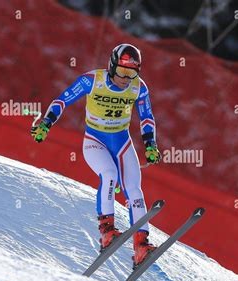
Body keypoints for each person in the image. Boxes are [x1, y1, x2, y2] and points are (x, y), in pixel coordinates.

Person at [31, 43, 161, 268]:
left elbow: (147, 117)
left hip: (121, 141)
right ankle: (107, 233)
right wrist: (47, 123)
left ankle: (141, 245)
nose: (125, 78)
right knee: (109, 175)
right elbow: (63, 100)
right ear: (112, 66)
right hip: (95, 141)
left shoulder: (138, 87)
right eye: (122, 71)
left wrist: (150, 143)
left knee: (133, 188)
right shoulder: (92, 80)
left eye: (132, 73)